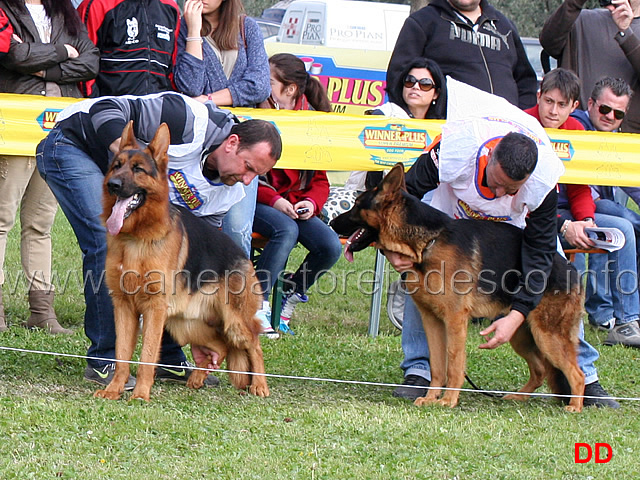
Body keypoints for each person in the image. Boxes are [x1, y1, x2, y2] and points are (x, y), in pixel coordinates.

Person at [390, 79, 619, 408]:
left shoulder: (543, 180)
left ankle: (584, 375)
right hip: (448, 213)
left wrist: (517, 313)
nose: (499, 195)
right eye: (495, 183)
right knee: (427, 280)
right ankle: (420, 371)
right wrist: (402, 249)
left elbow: (539, 250)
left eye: (511, 190)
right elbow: (401, 197)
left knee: (556, 274)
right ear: (489, 159)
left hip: (512, 227)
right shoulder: (457, 146)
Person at [36, 91, 281, 388]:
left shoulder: (227, 190)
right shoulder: (185, 118)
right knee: (106, 240)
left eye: (256, 175)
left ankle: (168, 357)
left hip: (127, 182)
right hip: (74, 144)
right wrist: (130, 162)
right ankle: (107, 361)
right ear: (231, 144)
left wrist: (198, 333)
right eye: (248, 167)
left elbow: (193, 253)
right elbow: (104, 107)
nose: (247, 180)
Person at [0, 0, 99, 335]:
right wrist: (64, 51)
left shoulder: (65, 12)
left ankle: (42, 311)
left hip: (59, 129)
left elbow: (91, 61)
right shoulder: (6, 10)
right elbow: (13, 56)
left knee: (41, 223)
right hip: (14, 127)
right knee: (2, 219)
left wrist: (44, 66)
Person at [525, 69, 640, 349]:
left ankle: (627, 321)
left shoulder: (576, 131)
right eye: (549, 101)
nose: (553, 111)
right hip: (530, 216)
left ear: (574, 107)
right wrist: (564, 225)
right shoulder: (523, 124)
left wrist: (586, 220)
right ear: (539, 97)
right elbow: (519, 196)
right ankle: (561, 318)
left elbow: (578, 188)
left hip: (568, 214)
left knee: (623, 227)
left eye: (562, 105)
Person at [253, 53, 342, 337]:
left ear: (289, 89)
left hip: (295, 204)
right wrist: (277, 201)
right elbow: (248, 174)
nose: (260, 86)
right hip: (259, 200)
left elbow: (320, 180)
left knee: (330, 246)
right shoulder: (256, 111)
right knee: (285, 229)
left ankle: (292, 292)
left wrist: (311, 203)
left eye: (268, 81)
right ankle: (258, 304)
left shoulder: (311, 121)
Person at [174, 0, 270, 258]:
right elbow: (190, 87)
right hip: (203, 143)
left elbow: (260, 84)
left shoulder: (246, 28)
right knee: (193, 227)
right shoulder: (184, 27)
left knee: (237, 229)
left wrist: (209, 99)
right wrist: (194, 31)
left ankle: (237, 293)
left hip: (243, 145)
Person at [571, 77, 640, 337]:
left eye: (618, 113)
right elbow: (577, 188)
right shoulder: (575, 125)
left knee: (625, 223)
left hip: (595, 208)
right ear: (590, 104)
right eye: (604, 109)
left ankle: (612, 312)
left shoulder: (615, 138)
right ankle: (612, 312)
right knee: (624, 222)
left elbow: (632, 180)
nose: (610, 116)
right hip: (571, 207)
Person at [387, 0, 537, 110]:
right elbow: (398, 76)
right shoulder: (423, 22)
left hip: (503, 133)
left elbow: (526, 81)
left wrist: (519, 117)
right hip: (449, 133)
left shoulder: (504, 26)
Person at [540, 0, 640, 133]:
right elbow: (549, 43)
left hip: (627, 139)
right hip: (573, 132)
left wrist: (626, 32)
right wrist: (574, 3)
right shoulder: (582, 19)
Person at [76, 0, 180, 97]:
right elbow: (83, 64)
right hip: (111, 109)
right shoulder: (98, 4)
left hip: (155, 108)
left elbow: (171, 68)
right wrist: (97, 105)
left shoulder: (171, 8)